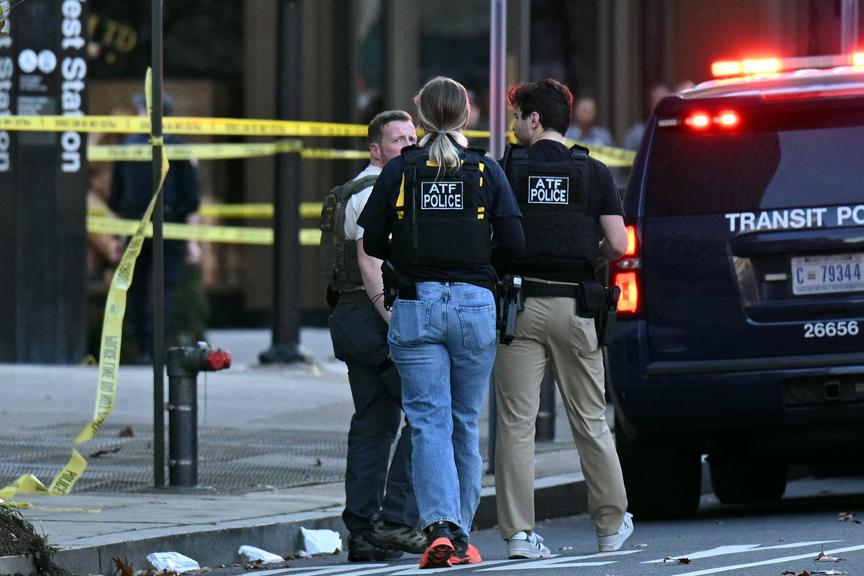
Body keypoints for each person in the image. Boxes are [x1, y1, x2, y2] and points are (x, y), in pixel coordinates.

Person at [359, 76, 524, 569]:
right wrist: (481, 265)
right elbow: (515, 243)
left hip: (416, 304)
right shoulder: (486, 170)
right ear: (466, 115)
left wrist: (409, 252)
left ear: (421, 117)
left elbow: (373, 240)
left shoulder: (402, 169)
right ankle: (463, 534)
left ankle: (439, 529)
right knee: (463, 423)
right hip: (474, 305)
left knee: (428, 421)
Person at [495, 79, 632, 559]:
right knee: (591, 419)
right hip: (577, 307)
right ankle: (610, 525)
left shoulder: (508, 169)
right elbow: (619, 244)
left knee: (516, 424)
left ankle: (518, 534)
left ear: (534, 120)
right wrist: (589, 253)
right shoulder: (592, 171)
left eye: (518, 118)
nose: (514, 126)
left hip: (518, 309)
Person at [324, 110, 426, 562]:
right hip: (373, 320)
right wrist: (394, 320)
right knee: (427, 412)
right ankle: (396, 518)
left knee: (373, 424)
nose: (409, 145)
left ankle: (363, 533)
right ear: (376, 149)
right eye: (398, 139)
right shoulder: (373, 193)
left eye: (412, 137)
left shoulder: (357, 189)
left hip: (351, 320)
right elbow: (370, 263)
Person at [108, 94, 201, 363]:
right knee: (161, 290)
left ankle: (144, 348)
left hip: (138, 227)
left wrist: (118, 237)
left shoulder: (128, 147)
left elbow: (116, 198)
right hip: (166, 225)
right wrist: (191, 239)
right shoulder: (177, 147)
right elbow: (191, 198)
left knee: (138, 289)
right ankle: (155, 348)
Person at [622, 83, 670, 151]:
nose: (660, 107)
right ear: (650, 104)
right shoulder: (636, 134)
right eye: (655, 102)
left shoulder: (680, 131)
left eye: (663, 103)